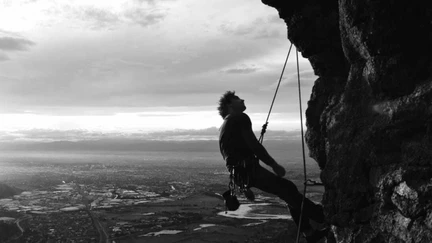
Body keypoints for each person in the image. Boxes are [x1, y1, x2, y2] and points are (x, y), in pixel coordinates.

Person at [217, 91, 328, 243]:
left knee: (287, 189)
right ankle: (322, 216)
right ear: (230, 104)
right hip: (250, 170)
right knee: (287, 189)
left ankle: (309, 231)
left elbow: (230, 159)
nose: (242, 99)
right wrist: (273, 164)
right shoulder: (240, 118)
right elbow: (254, 146)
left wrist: (243, 186)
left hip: (243, 173)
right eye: (237, 98)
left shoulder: (224, 128)